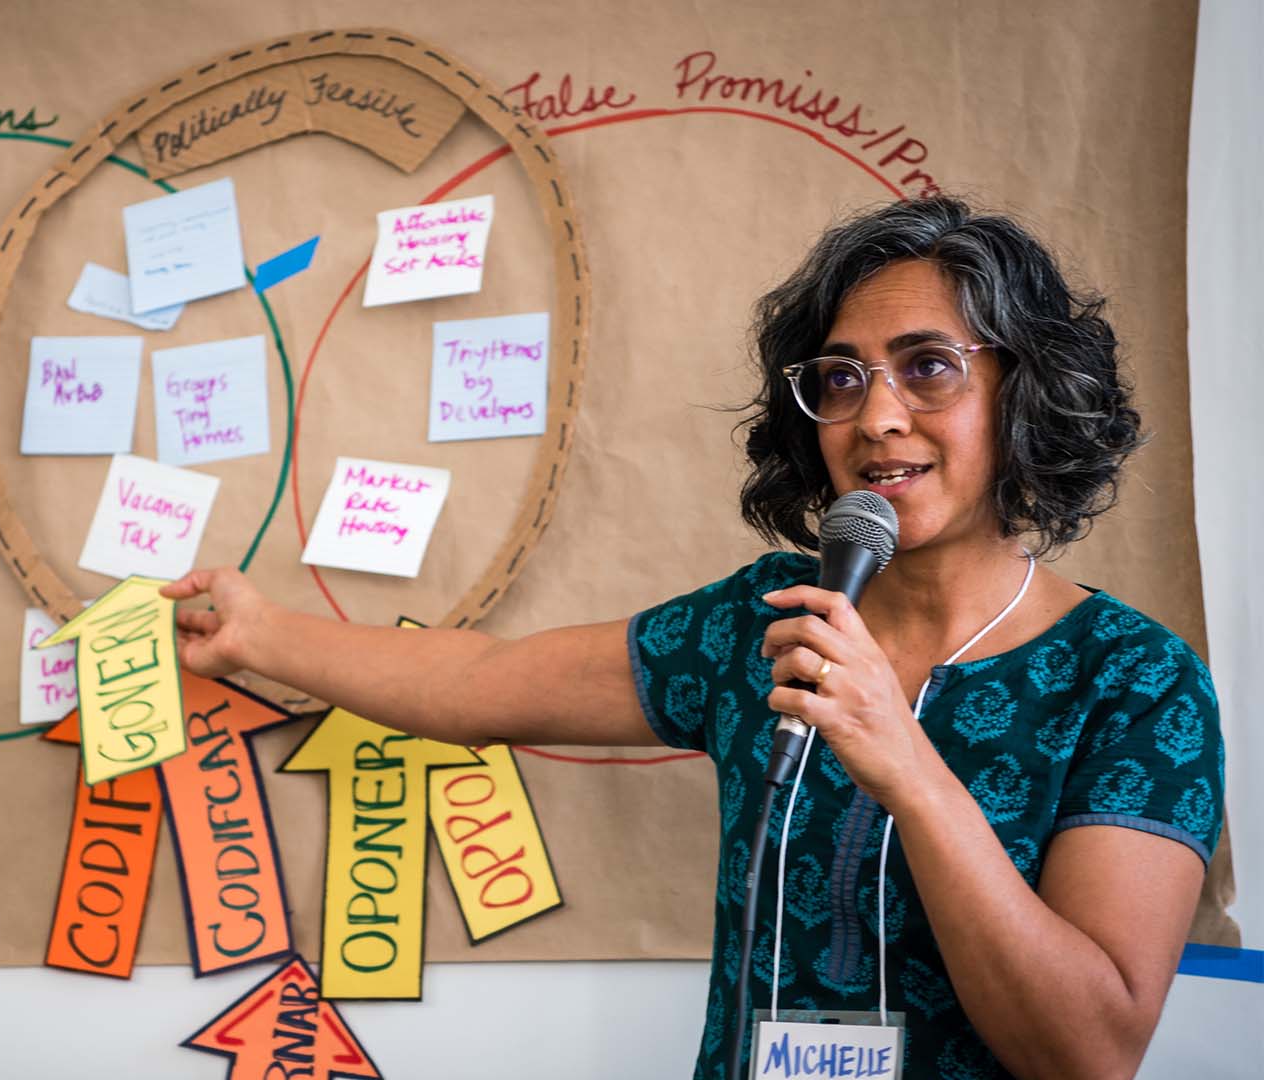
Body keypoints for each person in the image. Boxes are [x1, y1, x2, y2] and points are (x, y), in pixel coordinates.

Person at [161, 197, 1224, 1079]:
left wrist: (906, 763)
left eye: (928, 367)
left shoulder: (1134, 681)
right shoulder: (763, 622)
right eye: (841, 378)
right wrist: (261, 633)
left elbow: (1090, 1050)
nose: (876, 416)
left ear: (1024, 391)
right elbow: (480, 680)